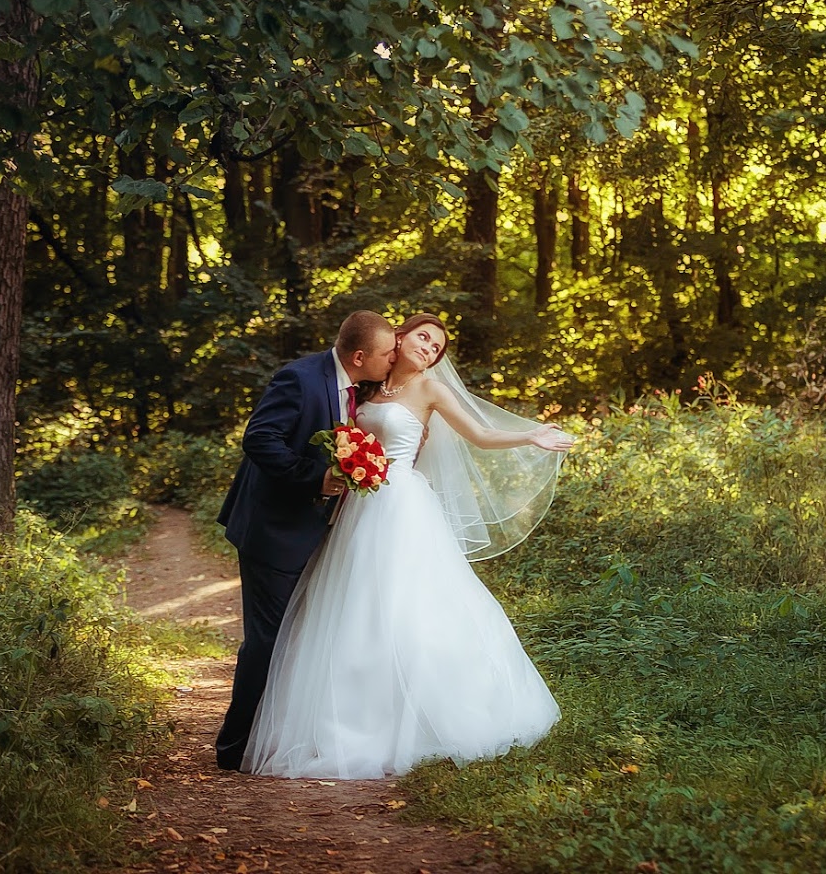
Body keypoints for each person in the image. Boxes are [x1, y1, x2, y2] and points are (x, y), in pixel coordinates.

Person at [242, 314, 574, 779]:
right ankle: (341, 720)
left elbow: (479, 433)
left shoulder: (430, 391)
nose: (429, 349)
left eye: (437, 347)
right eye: (423, 337)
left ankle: (422, 719)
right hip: (355, 507)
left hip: (402, 507)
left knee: (407, 608)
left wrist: (530, 434)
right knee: (351, 608)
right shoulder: (363, 389)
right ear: (399, 337)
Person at [214, 310, 398, 771]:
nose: (393, 358)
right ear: (359, 356)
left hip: (315, 531)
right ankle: (233, 749)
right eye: (387, 352)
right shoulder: (300, 378)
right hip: (273, 531)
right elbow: (259, 439)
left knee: (299, 636)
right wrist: (315, 478)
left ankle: (272, 737)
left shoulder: (357, 389)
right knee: (267, 640)